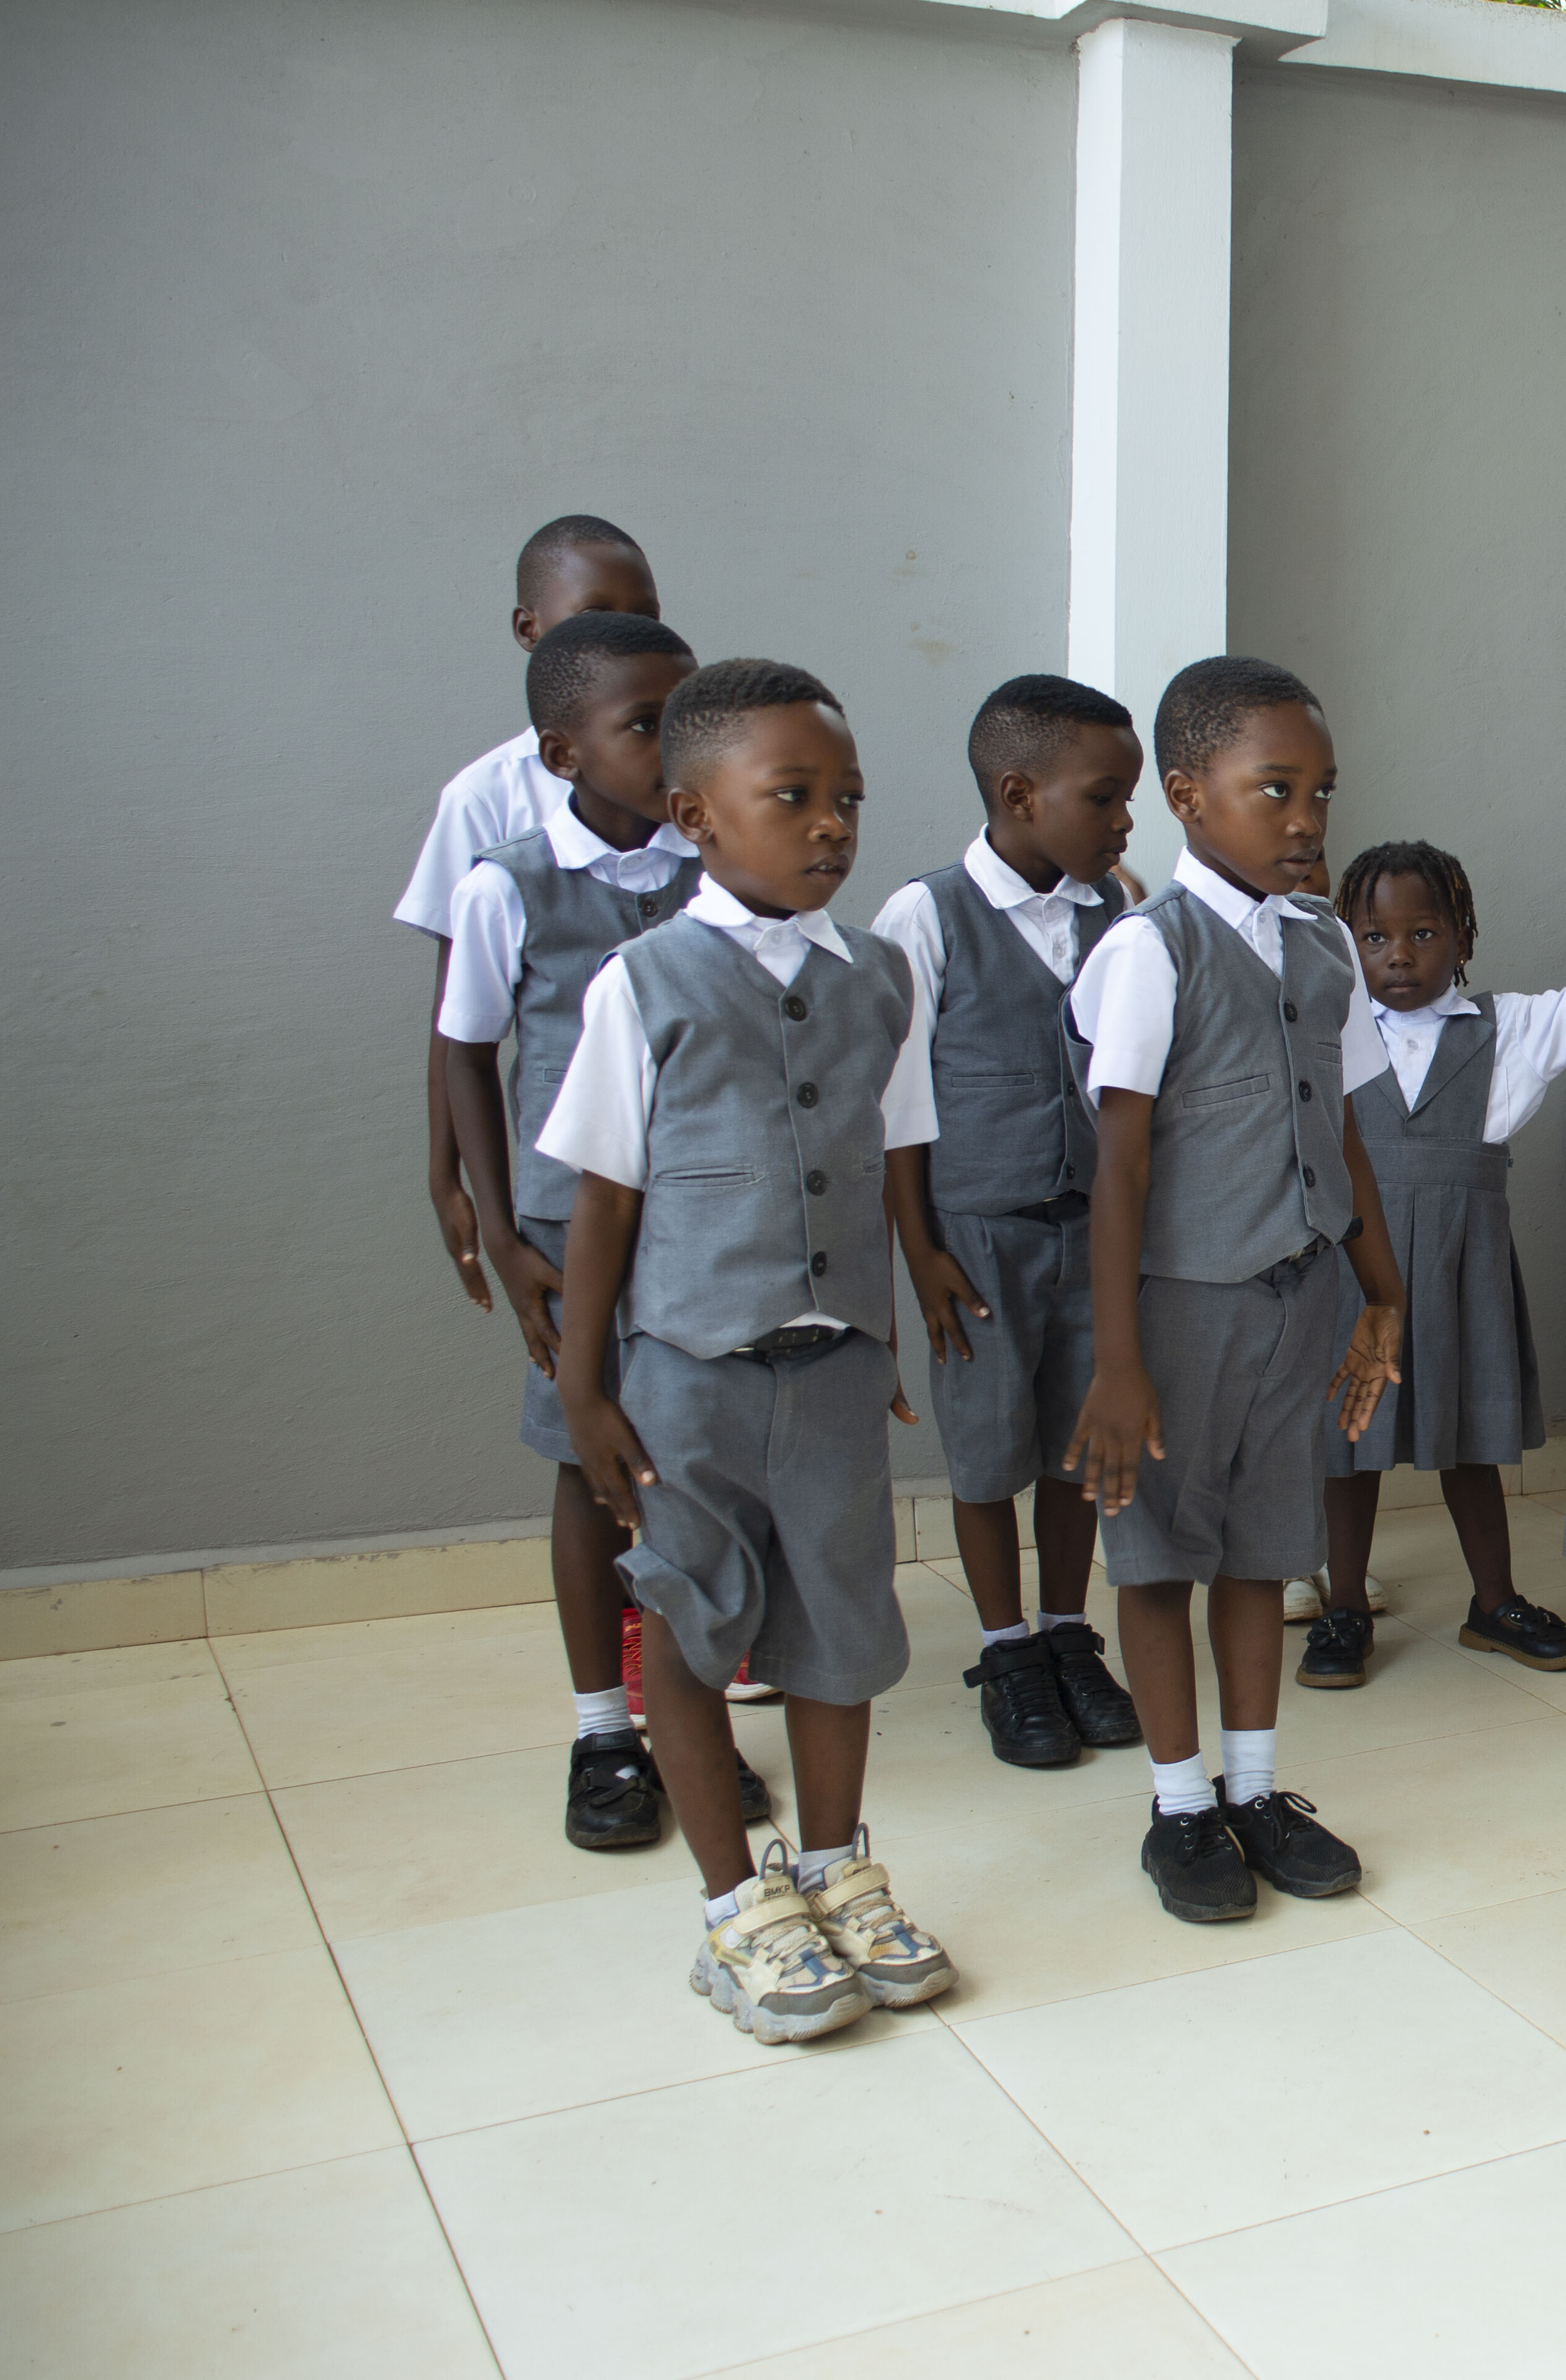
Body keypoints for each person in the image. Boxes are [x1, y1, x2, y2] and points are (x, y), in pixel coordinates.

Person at [543, 658, 955, 2045]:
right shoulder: (642, 982)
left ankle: (838, 1873)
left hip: (832, 1366)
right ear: (696, 815)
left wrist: (888, 1331)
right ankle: (738, 1909)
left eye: (847, 799)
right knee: (691, 1619)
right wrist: (584, 1388)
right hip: (690, 1374)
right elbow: (604, 1198)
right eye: (794, 797)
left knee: (842, 1625)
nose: (832, 824)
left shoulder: (882, 978)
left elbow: (891, 1162)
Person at [1066, 656, 1404, 1924]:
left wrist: (1381, 1290)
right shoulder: (1152, 952)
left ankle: (1257, 1787)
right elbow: (1121, 1163)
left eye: (1321, 790)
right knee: (1159, 1554)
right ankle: (1179, 1802)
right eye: (1275, 788)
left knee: (1264, 1547)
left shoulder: (1322, 941)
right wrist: (1116, 1361)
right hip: (1180, 1306)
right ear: (1186, 795)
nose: (1308, 818)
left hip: (1300, 1292)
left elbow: (1351, 1130)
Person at [435, 610, 740, 1848]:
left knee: (693, 1460)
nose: (672, 748)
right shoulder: (508, 883)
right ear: (564, 756)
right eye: (644, 727)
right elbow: (463, 1050)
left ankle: (691, 1726)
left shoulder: (714, 863)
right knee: (586, 1462)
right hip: (572, 1223)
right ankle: (602, 1732)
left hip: (701, 1216)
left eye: (687, 721)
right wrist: (498, 1230)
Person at [875, 676, 1152, 1768]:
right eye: (1107, 798)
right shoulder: (925, 914)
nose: (1126, 821)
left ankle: (1069, 1631)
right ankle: (1006, 1649)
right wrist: (922, 1254)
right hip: (976, 1236)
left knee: (1081, 1450)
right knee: (988, 1452)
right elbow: (900, 1103)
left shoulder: (1117, 913)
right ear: (1018, 792)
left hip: (1091, 1230)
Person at [1296, 809, 1566, 1691]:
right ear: (1347, 940)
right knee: (1348, 1442)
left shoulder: (1503, 1028)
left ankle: (1494, 1602)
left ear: (1461, 935)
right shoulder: (1326, 1028)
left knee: (1470, 1443)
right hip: (1353, 1276)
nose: (1398, 955)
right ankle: (1344, 1608)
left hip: (1462, 1273)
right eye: (1374, 936)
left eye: (1422, 933)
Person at [402, 516, 664, 1311]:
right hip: (567, 1166)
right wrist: (451, 1181)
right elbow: (461, 1021)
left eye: (644, 613)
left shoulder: (687, 778)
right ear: (530, 628)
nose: (623, 631)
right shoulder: (487, 798)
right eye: (593, 613)